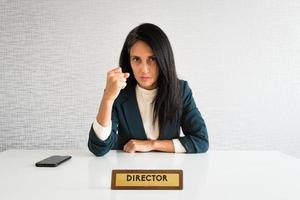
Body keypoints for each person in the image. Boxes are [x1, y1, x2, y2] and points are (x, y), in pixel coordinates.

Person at [88, 23, 208, 156]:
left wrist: (152, 144)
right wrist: (107, 98)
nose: (144, 70)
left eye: (152, 59)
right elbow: (98, 149)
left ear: (163, 59)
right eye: (136, 59)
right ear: (129, 61)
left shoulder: (180, 90)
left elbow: (200, 140)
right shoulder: (120, 93)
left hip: (168, 171)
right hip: (128, 171)